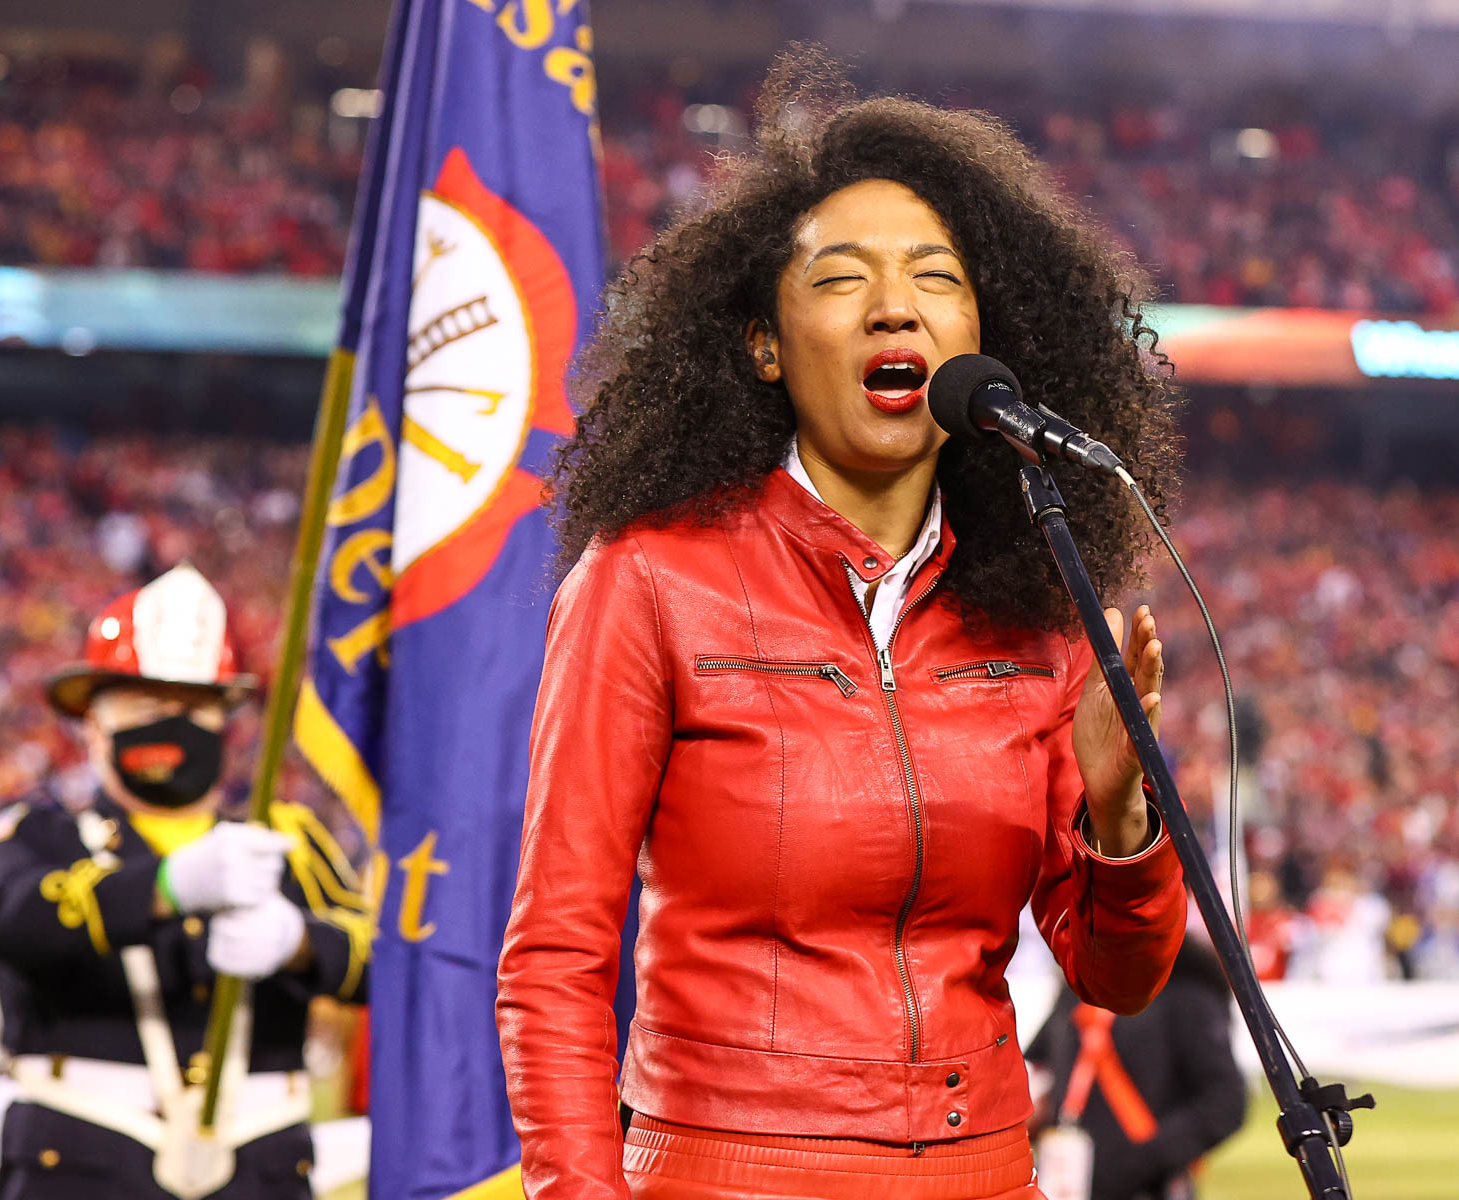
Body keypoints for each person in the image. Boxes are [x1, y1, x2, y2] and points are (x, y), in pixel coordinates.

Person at [496, 52, 1187, 1200]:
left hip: (986, 1174)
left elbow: (1119, 977)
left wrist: (1122, 826)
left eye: (935, 275)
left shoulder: (1042, 608)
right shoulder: (647, 583)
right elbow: (556, 963)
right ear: (763, 343)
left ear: (980, 331)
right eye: (839, 279)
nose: (894, 304)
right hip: (729, 1173)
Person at [0, 563, 370, 1200]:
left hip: (260, 1174)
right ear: (93, 726)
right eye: (146, 704)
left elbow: (390, 963)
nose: (172, 723)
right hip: (79, 1171)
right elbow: (8, 919)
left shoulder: (290, 841)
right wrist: (166, 887)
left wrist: (300, 943)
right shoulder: (38, 835)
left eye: (195, 707)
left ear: (226, 721)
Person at [1024, 936, 1247, 1200]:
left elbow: (1224, 1102)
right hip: (1069, 1182)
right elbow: (1048, 1063)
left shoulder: (1188, 989)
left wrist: (1141, 1160)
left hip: (1147, 1188)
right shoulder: (1078, 986)